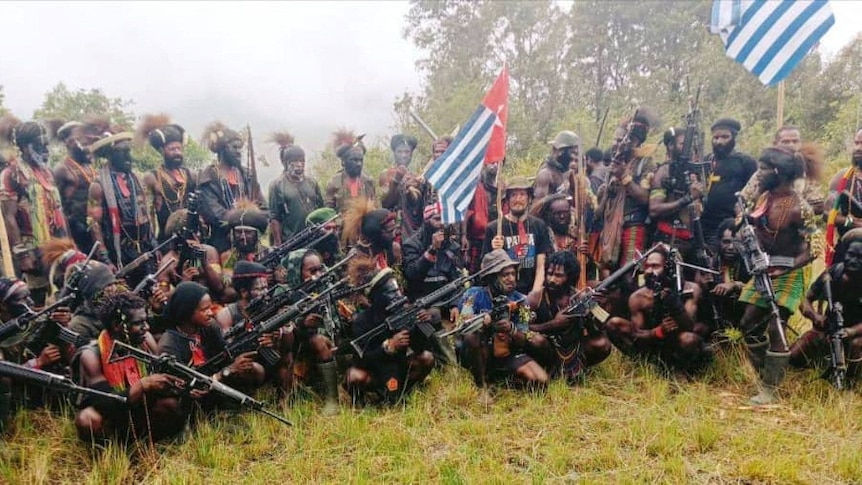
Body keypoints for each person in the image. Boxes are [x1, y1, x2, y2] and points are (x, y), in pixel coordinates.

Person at [737, 148, 820, 405]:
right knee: (748, 324)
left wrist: (788, 267)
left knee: (776, 325)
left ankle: (770, 389)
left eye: (763, 169)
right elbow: (744, 223)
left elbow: (816, 248)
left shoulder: (800, 208)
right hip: (762, 269)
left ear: (778, 172)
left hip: (788, 272)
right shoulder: (762, 198)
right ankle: (766, 372)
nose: (758, 174)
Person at [74, 291, 186, 443]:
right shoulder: (92, 355)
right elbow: (104, 401)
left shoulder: (145, 341)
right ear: (118, 325)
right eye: (138, 323)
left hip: (140, 407)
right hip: (110, 413)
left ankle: (150, 443)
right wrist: (142, 385)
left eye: (145, 321)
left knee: (170, 405)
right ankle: (111, 451)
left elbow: (161, 373)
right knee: (88, 420)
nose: (146, 327)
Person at [457, 250, 548, 403]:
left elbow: (524, 335)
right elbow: (462, 323)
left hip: (508, 353)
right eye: (505, 275)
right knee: (472, 336)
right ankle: (481, 385)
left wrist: (511, 329)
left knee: (540, 380)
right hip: (482, 352)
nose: (511, 278)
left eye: (513, 273)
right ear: (492, 278)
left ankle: (502, 380)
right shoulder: (472, 294)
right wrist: (482, 323)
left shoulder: (522, 301)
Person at [605, 245, 710, 375]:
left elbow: (689, 326)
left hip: (678, 341)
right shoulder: (638, 297)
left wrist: (674, 304)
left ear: (669, 269)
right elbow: (637, 334)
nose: (649, 271)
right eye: (647, 266)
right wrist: (657, 332)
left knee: (688, 339)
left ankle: (681, 370)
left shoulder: (690, 289)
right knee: (614, 324)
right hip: (653, 343)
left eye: (655, 266)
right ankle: (647, 365)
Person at [344, 255, 435, 405]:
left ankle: (405, 391)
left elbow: (420, 348)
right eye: (391, 292)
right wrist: (388, 346)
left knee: (426, 358)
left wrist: (420, 324)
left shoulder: (404, 312)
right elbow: (362, 359)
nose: (397, 295)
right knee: (353, 376)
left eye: (397, 290)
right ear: (377, 297)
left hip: (399, 368)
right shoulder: (362, 321)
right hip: (374, 371)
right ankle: (363, 401)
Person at [0, 116, 69, 302]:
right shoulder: (11, 174)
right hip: (31, 248)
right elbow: (9, 217)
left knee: (63, 293)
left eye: (46, 145)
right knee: (36, 298)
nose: (45, 150)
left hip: (55, 244)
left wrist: (66, 241)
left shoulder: (46, 172)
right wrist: (22, 254)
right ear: (23, 147)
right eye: (39, 145)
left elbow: (57, 209)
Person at [158, 282, 265, 392]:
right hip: (192, 391)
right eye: (204, 310)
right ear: (186, 311)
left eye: (210, 308)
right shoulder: (169, 345)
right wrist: (225, 372)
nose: (210, 313)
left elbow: (224, 354)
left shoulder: (209, 326)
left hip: (214, 380)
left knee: (254, 369)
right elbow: (181, 386)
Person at [526, 251, 611, 382]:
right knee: (536, 341)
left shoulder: (580, 297)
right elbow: (520, 329)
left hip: (573, 348)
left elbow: (598, 328)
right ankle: (548, 369)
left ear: (570, 277)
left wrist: (601, 306)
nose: (551, 279)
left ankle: (575, 369)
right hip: (547, 349)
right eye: (549, 273)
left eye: (558, 275)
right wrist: (552, 325)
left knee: (602, 344)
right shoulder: (535, 297)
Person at [87, 123, 155, 285]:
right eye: (122, 153)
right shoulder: (97, 186)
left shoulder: (136, 179)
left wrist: (154, 245)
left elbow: (147, 216)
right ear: (110, 155)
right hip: (118, 253)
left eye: (128, 152)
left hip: (144, 248)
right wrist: (105, 259)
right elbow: (93, 225)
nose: (128, 158)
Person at [790, 229, 862, 380]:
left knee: (856, 345)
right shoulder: (834, 272)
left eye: (860, 257)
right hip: (830, 330)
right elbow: (805, 300)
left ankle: (850, 381)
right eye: (851, 255)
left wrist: (851, 331)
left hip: (855, 334)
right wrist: (815, 316)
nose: (854, 261)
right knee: (793, 357)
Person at [282, 249, 340, 415]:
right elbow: (279, 325)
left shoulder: (325, 289)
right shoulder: (283, 293)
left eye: (320, 269)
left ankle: (332, 400)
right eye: (312, 271)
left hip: (317, 341)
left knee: (320, 342)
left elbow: (334, 323)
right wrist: (301, 323)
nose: (318, 275)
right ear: (297, 272)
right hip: (290, 346)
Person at [597, 113, 657, 269]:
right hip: (611, 227)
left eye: (620, 140)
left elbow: (645, 198)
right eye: (615, 139)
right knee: (608, 275)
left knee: (629, 274)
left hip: (634, 225)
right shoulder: (614, 162)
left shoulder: (646, 163)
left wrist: (624, 176)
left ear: (633, 141)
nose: (616, 144)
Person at [198, 122, 265, 254]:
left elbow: (264, 209)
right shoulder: (208, 178)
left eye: (240, 148)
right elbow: (217, 216)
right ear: (222, 149)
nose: (238, 152)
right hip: (221, 245)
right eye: (234, 147)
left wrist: (254, 219)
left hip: (251, 244)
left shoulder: (247, 175)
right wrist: (249, 216)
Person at [484, 175, 551, 295]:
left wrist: (535, 293)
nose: (518, 199)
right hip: (504, 294)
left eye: (522, 194)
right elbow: (484, 268)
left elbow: (541, 265)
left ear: (529, 198)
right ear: (508, 199)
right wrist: (494, 252)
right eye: (513, 195)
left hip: (532, 290)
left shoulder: (539, 225)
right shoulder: (493, 228)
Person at [649, 127, 706, 260]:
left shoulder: (694, 172)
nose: (689, 149)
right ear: (670, 146)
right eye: (683, 144)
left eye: (691, 146)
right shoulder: (664, 172)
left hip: (693, 241)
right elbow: (654, 209)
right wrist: (688, 198)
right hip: (668, 240)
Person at [139, 114, 197, 243]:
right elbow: (147, 212)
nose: (177, 153)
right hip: (164, 239)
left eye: (179, 148)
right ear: (161, 150)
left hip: (189, 235)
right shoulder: (152, 177)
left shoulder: (190, 175)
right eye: (172, 149)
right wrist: (151, 241)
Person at [700, 118, 757, 247]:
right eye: (716, 137)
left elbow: (755, 195)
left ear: (734, 137)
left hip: (731, 228)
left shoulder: (746, 162)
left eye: (725, 137)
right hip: (704, 226)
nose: (719, 141)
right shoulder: (706, 161)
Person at [267, 131, 324, 246]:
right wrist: (278, 244)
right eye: (295, 161)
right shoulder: (277, 185)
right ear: (286, 163)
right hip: (292, 241)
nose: (299, 165)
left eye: (302, 161)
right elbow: (274, 217)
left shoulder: (312, 183)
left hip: (314, 237)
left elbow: (321, 209)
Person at [54, 120, 98, 253]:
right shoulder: (61, 169)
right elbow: (57, 206)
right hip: (76, 232)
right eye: (78, 137)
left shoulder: (90, 166)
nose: (84, 141)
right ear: (66, 141)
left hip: (95, 230)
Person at [380, 134, 428, 242]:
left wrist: (416, 188)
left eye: (407, 152)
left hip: (413, 229)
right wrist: (397, 181)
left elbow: (419, 205)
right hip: (393, 228)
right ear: (394, 153)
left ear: (411, 154)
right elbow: (386, 203)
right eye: (400, 152)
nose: (404, 155)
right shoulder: (386, 174)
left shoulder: (417, 177)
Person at [825, 128, 862, 265]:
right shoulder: (842, 177)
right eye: (856, 143)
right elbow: (827, 214)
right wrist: (855, 224)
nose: (858, 148)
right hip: (847, 251)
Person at [463, 161, 503, 273]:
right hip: (478, 239)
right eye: (491, 162)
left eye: (497, 162)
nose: (494, 165)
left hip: (498, 238)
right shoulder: (476, 187)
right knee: (477, 273)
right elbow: (467, 211)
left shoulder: (502, 188)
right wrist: (464, 235)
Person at [325, 130, 375, 215]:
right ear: (344, 162)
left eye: (361, 160)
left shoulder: (368, 182)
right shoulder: (334, 183)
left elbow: (375, 205)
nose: (359, 164)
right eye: (354, 160)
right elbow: (328, 212)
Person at [341, 198, 400, 270]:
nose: (393, 235)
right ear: (375, 234)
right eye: (390, 232)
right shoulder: (357, 256)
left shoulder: (394, 249)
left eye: (394, 230)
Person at [534, 130, 581, 199]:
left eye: (576, 154)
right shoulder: (545, 174)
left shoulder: (566, 172)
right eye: (573, 152)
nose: (575, 157)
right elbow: (537, 206)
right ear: (560, 151)